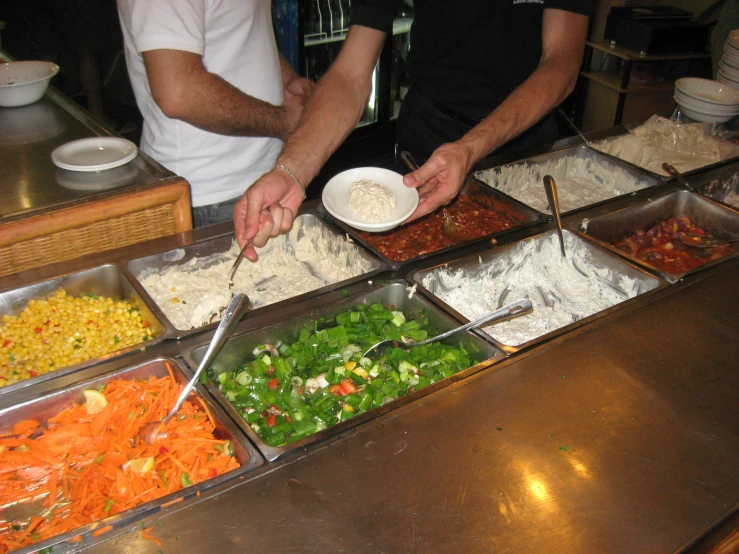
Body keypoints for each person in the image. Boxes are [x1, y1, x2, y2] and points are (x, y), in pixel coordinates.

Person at [233, 0, 591, 260]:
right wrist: (292, 171)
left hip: (524, 141)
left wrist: (470, 148)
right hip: (430, 135)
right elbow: (350, 76)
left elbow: (561, 62)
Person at [116, 0, 314, 227]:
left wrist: (286, 80)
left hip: (263, 170)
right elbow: (178, 93)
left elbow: (240, 31)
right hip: (210, 191)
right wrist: (285, 121)